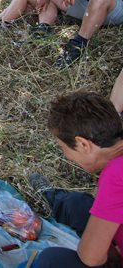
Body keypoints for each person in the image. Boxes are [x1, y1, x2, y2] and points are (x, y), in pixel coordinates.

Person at [29, 92, 123, 267]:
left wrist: (104, 249)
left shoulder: (116, 175)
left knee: (51, 260)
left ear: (83, 144)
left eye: (63, 147)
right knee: (76, 205)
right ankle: (49, 196)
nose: (67, 156)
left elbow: (91, 258)